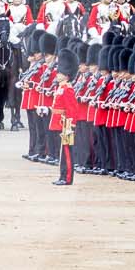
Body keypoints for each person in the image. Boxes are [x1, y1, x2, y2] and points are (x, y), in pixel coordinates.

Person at [51, 50, 84, 186]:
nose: (57, 74)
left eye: (60, 73)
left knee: (67, 153)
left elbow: (72, 109)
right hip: (60, 123)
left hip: (67, 125)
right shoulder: (60, 88)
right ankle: (62, 176)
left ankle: (68, 178)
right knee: (62, 153)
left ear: (66, 75)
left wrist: (70, 126)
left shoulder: (68, 89)